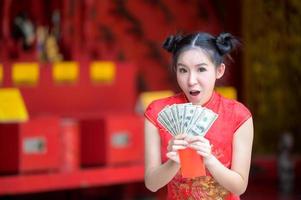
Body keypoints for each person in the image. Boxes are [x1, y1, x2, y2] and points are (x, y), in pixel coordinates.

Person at [144, 32, 254, 200]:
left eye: (201, 69)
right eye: (183, 70)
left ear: (219, 70)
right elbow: (151, 184)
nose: (191, 80)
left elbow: (240, 186)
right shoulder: (157, 113)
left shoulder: (239, 116)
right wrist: (174, 162)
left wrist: (209, 159)